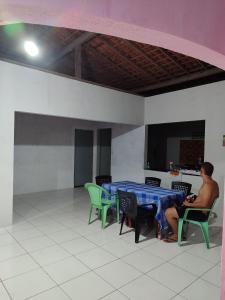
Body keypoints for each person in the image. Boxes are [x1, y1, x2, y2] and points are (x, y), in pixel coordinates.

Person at [164, 162, 219, 242]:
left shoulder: (208, 185)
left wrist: (189, 204)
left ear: (202, 171)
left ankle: (177, 235)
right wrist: (194, 199)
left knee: (168, 212)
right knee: (174, 204)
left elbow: (204, 204)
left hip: (200, 213)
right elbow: (212, 197)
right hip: (199, 210)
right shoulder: (214, 183)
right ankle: (179, 231)